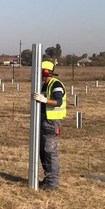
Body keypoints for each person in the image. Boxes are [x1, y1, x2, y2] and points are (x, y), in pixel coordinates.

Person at [32, 60, 67, 191]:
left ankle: (53, 183)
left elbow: (58, 102)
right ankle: (47, 179)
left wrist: (45, 100)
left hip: (51, 123)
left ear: (45, 72)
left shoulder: (56, 84)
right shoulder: (43, 86)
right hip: (42, 122)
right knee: (42, 152)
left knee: (50, 152)